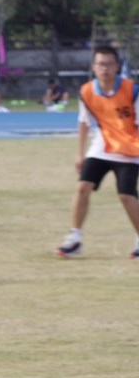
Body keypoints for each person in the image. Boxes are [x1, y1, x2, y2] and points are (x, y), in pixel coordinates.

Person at [55, 46, 139, 260]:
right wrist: (80, 154)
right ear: (93, 67)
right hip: (102, 147)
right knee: (82, 187)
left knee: (126, 195)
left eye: (109, 64)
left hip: (130, 149)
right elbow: (84, 122)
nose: (105, 69)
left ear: (117, 67)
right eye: (101, 64)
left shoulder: (132, 90)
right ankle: (74, 238)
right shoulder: (87, 91)